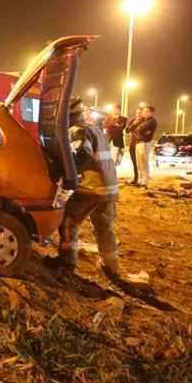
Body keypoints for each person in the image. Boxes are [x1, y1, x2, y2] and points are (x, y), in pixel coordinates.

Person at [45, 97, 120, 275]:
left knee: (68, 222)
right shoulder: (94, 128)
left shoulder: (77, 131)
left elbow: (80, 155)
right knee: (104, 228)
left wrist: (61, 168)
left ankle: (66, 261)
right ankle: (111, 267)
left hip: (90, 187)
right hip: (109, 187)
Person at [134, 106, 157, 188]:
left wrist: (139, 130)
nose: (144, 113)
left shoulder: (151, 121)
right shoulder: (144, 121)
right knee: (139, 163)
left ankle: (144, 181)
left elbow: (139, 129)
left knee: (144, 163)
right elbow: (136, 130)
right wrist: (139, 130)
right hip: (139, 142)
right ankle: (140, 180)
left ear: (152, 113)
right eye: (144, 111)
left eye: (147, 111)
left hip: (144, 143)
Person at [125, 107, 143, 185]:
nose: (138, 114)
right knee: (134, 163)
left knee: (140, 164)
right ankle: (135, 178)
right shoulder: (133, 120)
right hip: (132, 144)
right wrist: (134, 124)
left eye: (140, 113)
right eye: (137, 113)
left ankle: (141, 179)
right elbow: (127, 130)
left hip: (139, 144)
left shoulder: (144, 121)